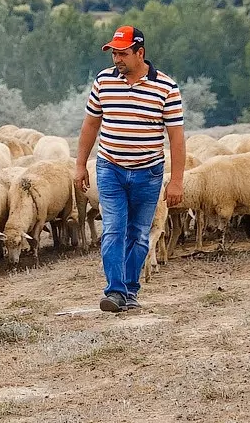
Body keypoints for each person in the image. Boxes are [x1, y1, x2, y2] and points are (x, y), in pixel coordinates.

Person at [73, 24, 184, 313]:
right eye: (113, 54)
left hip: (148, 172)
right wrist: (80, 164)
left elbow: (176, 137)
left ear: (140, 52)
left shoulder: (166, 88)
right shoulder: (103, 82)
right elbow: (90, 125)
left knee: (137, 232)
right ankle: (115, 291)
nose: (117, 59)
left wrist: (177, 181)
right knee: (112, 229)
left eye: (122, 53)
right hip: (110, 168)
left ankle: (130, 290)